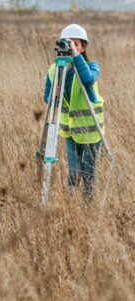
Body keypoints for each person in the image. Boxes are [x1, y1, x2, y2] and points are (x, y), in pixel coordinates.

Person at [44, 24, 104, 201]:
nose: (71, 47)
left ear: (83, 47)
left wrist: (76, 56)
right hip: (69, 131)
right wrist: (53, 98)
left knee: (88, 172)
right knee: (73, 173)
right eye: (68, 43)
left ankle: (88, 205)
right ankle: (70, 206)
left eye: (76, 44)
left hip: (91, 131)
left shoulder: (92, 66)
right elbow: (47, 98)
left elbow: (87, 79)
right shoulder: (55, 70)